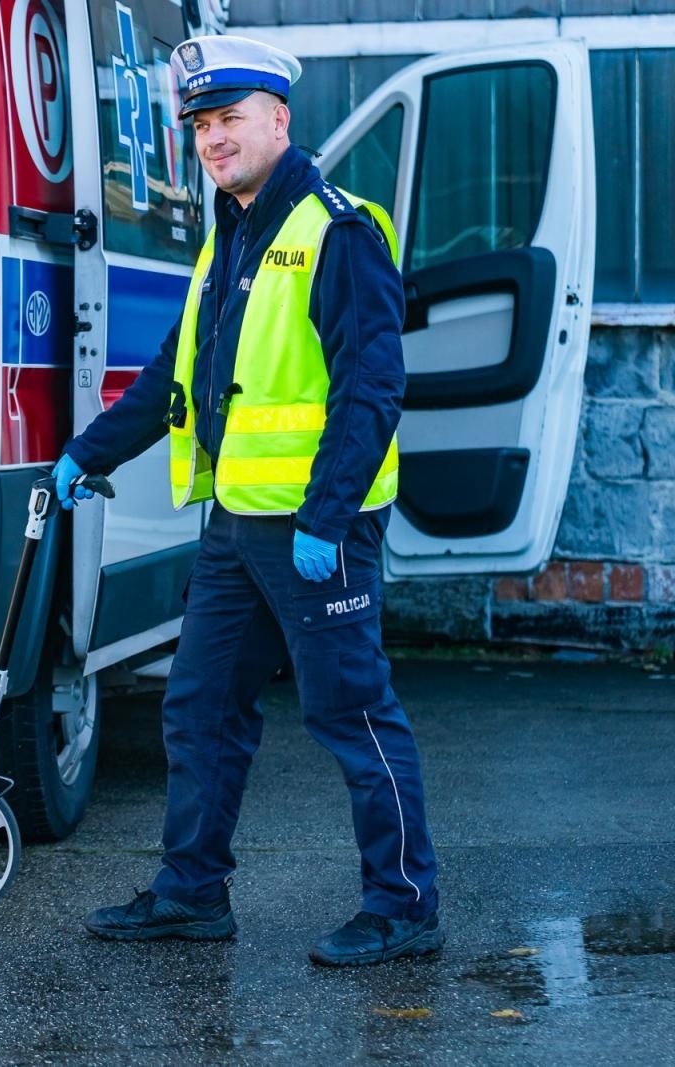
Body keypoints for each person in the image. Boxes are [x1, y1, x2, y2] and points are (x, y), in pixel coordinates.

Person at [58, 35, 441, 966]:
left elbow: (371, 391)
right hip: (236, 524)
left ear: (280, 119)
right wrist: (85, 452)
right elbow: (173, 377)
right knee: (198, 707)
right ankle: (192, 893)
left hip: (316, 530)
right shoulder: (229, 235)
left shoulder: (335, 231)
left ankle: (405, 905)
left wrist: (326, 517)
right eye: (199, 125)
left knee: (351, 711)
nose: (212, 140)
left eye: (229, 119)